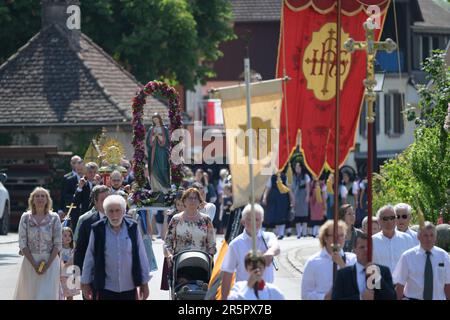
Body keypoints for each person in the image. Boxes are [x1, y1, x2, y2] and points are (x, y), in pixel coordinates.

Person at [81, 195, 150, 300]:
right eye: (110, 211)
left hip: (129, 287)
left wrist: (144, 283)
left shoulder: (133, 228)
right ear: (105, 212)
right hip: (106, 287)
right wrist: (85, 283)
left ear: (123, 211)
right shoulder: (98, 229)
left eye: (117, 210)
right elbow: (89, 257)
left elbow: (142, 256)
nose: (114, 215)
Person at [220, 203, 280, 300]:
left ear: (262, 220)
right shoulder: (235, 244)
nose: (253, 223)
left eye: (257, 220)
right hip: (244, 295)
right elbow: (227, 274)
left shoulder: (269, 236)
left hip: (266, 294)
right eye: (249, 219)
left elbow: (275, 247)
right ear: (243, 221)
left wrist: (270, 253)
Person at [14, 187, 62, 300]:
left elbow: (58, 243)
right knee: (31, 295)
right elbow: (22, 243)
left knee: (47, 295)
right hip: (30, 262)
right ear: (32, 200)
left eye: (43, 196)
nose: (40, 198)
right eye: (37, 196)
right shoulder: (25, 217)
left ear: (47, 200)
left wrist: (47, 265)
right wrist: (34, 264)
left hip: (50, 262)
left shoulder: (54, 218)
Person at [393, 221, 450, 300]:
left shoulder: (444, 256)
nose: (429, 239)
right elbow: (400, 285)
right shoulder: (407, 256)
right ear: (418, 236)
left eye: (431, 235)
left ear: (435, 237)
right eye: (425, 235)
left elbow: (448, 285)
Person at [301, 220, 357, 300]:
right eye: (334, 235)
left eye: (341, 235)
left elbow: (356, 288)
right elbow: (305, 295)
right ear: (325, 238)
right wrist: (324, 297)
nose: (338, 239)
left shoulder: (352, 259)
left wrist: (342, 265)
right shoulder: (313, 262)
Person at [332, 232, 396, 300]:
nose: (366, 250)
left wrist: (377, 277)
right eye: (362, 247)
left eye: (369, 247)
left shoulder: (383, 271)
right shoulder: (343, 274)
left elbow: (391, 297)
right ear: (354, 250)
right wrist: (360, 298)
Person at [73, 185, 110, 294]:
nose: (107, 202)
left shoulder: (124, 221)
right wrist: (78, 278)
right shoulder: (87, 222)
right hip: (92, 277)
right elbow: (79, 251)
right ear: (96, 202)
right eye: (103, 200)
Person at [164, 188, 216, 265]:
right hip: (180, 263)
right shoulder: (176, 219)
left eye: (196, 198)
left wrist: (210, 256)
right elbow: (167, 243)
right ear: (184, 201)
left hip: (202, 263)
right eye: (190, 198)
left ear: (199, 201)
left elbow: (212, 243)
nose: (193, 200)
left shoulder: (206, 219)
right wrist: (169, 255)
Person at [372, 205, 415, 274]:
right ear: (379, 221)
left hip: (403, 283)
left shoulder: (407, 239)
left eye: (392, 218)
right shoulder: (372, 241)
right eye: (385, 218)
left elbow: (413, 264)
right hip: (380, 283)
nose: (389, 221)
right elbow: (369, 267)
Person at [262, 172, 294, 239]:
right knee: (272, 214)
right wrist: (264, 198)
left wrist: (292, 199)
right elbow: (267, 188)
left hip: (283, 198)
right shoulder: (272, 177)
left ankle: (281, 234)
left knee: (282, 215)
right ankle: (269, 233)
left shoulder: (285, 177)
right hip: (273, 199)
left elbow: (289, 189)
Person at [146, 113, 170, 193]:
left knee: (162, 168)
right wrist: (154, 136)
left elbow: (166, 142)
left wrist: (158, 136)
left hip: (162, 152)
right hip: (153, 152)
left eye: (157, 119)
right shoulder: (151, 129)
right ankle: (155, 187)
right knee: (153, 168)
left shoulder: (164, 129)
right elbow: (149, 142)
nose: (155, 121)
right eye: (154, 120)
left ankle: (164, 187)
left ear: (160, 119)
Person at [72, 162, 99, 230]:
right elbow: (75, 201)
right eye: (90, 172)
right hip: (84, 213)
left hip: (96, 214)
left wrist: (97, 185)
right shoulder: (82, 183)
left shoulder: (100, 184)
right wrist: (80, 188)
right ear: (86, 173)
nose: (92, 174)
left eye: (94, 172)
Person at [290, 162, 311, 239]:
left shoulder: (305, 176)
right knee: (297, 215)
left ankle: (304, 232)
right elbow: (291, 188)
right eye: (296, 167)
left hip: (303, 196)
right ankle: (299, 233)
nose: (297, 169)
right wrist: (292, 198)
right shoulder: (293, 177)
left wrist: (308, 195)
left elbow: (308, 187)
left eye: (298, 167)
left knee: (304, 215)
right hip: (296, 196)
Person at [60, 227, 79, 300]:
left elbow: (75, 261)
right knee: (61, 294)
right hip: (61, 275)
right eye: (65, 235)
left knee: (70, 295)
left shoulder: (73, 249)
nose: (68, 237)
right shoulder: (59, 249)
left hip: (70, 275)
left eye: (69, 235)